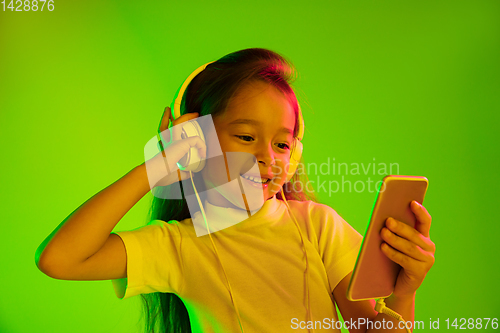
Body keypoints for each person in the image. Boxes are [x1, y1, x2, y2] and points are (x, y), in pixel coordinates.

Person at [35, 48, 435, 333]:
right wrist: (157, 165)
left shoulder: (317, 226)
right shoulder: (177, 247)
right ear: (196, 140)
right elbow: (59, 259)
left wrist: (403, 294)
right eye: (246, 136)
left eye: (282, 144)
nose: (268, 157)